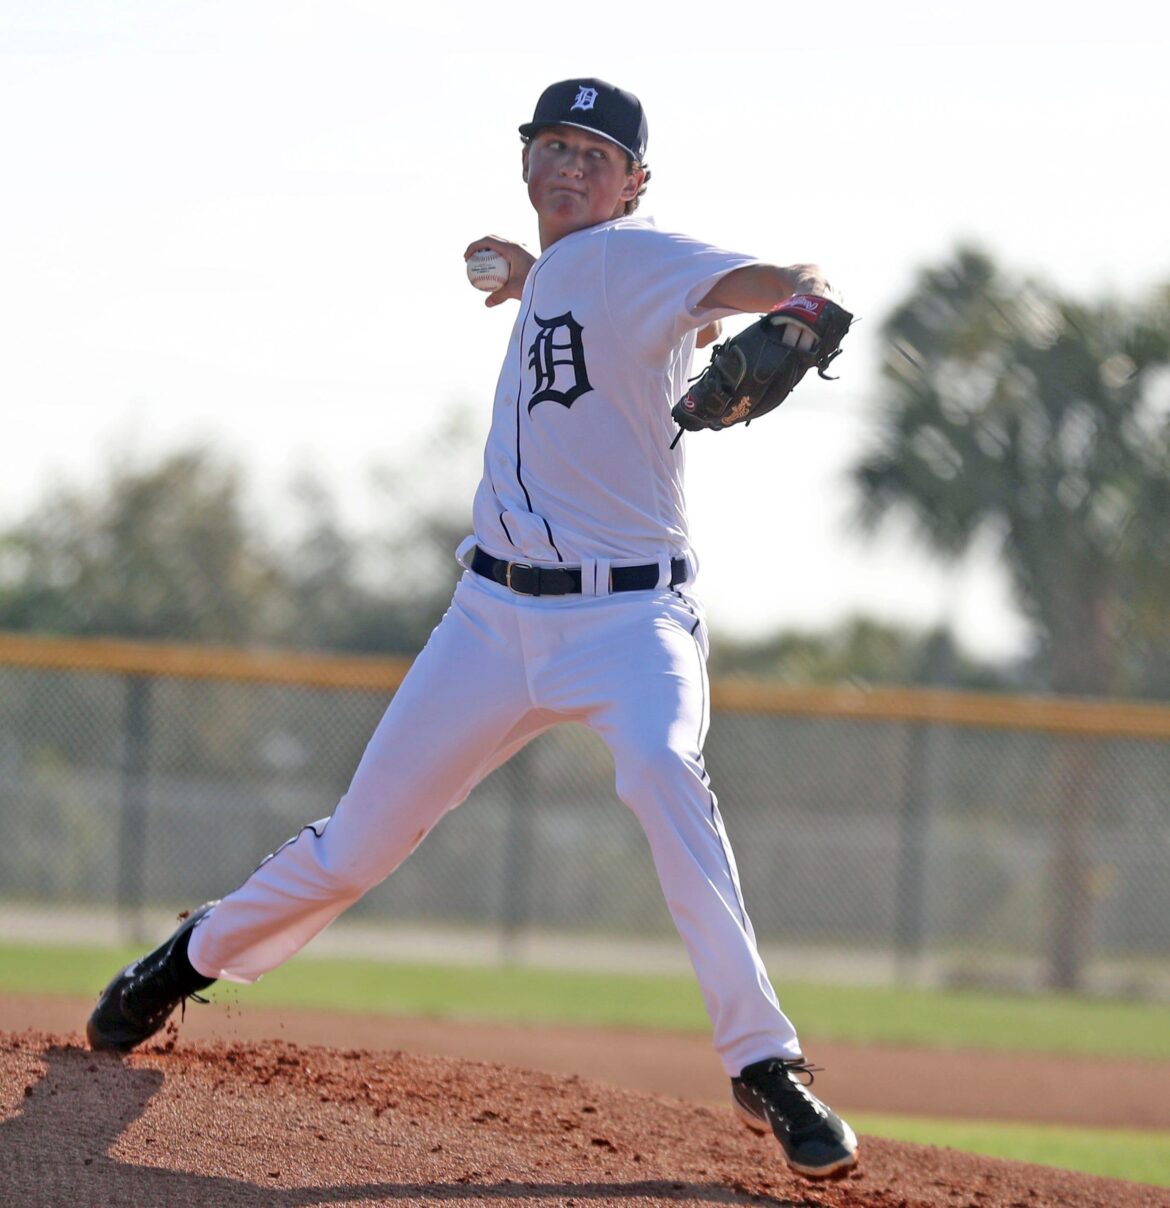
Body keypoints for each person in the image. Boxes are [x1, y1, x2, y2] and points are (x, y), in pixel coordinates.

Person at [86, 77, 859, 1181]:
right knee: (357, 844)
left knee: (659, 766)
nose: (571, 165)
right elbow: (569, 291)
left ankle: (763, 1062)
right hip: (490, 620)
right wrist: (522, 269)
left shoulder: (639, 256)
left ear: (635, 184)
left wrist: (810, 300)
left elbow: (781, 280)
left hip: (630, 617)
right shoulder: (572, 270)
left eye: (597, 155)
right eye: (554, 145)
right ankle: (188, 957)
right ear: (526, 160)